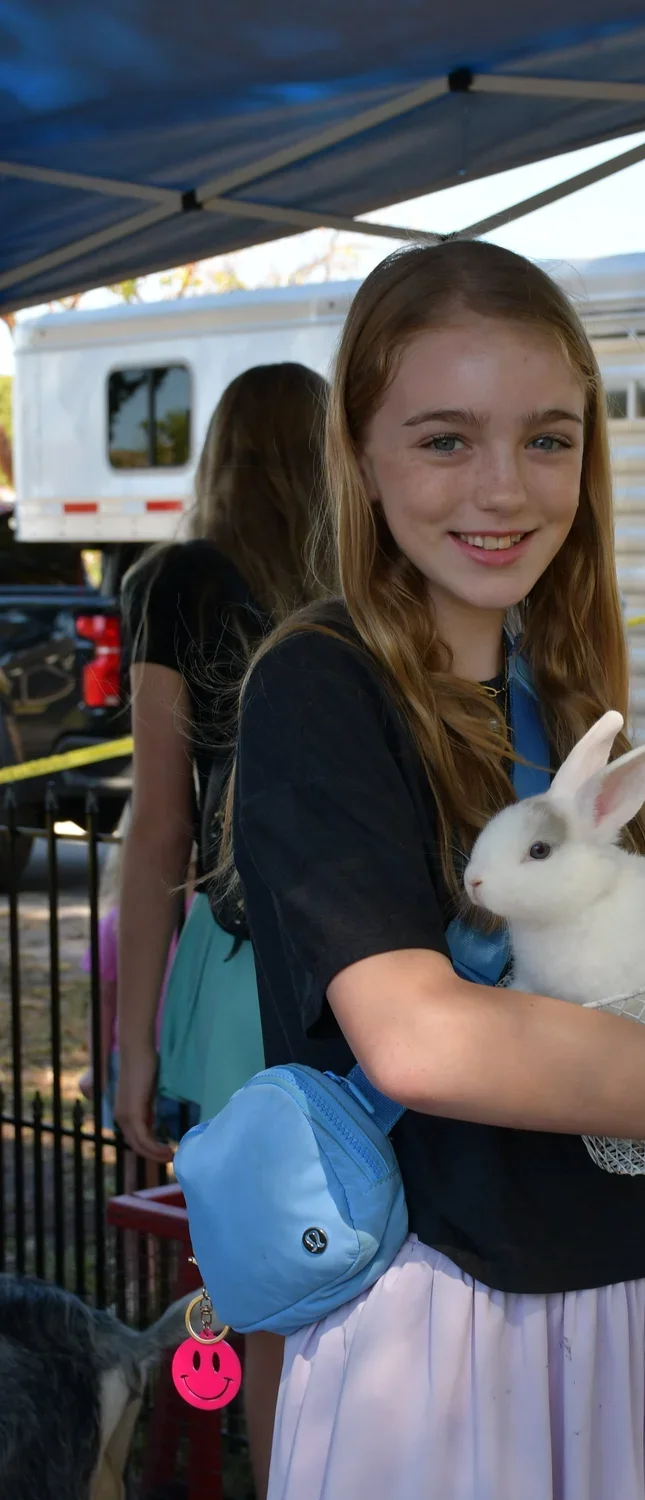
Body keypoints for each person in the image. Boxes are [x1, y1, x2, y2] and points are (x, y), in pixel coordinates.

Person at [228, 241, 645, 1500]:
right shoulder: (320, 684)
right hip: (449, 1321)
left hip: (622, 1298)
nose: (503, 487)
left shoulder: (558, 691)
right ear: (359, 452)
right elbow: (423, 1041)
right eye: (445, 439)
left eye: (547, 439)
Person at [115, 362, 335, 1499]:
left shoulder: (181, 580)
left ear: (221, 454)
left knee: (268, 1296)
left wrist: (133, 1047)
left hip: (243, 970)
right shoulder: (379, 575)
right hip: (382, 949)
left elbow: (159, 825)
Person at [77, 799, 194, 1143]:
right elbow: (104, 1000)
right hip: (168, 1062)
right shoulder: (210, 922)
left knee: (140, 1160)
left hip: (158, 1062)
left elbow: (104, 1001)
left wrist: (97, 1067)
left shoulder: (118, 924)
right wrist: (99, 1067)